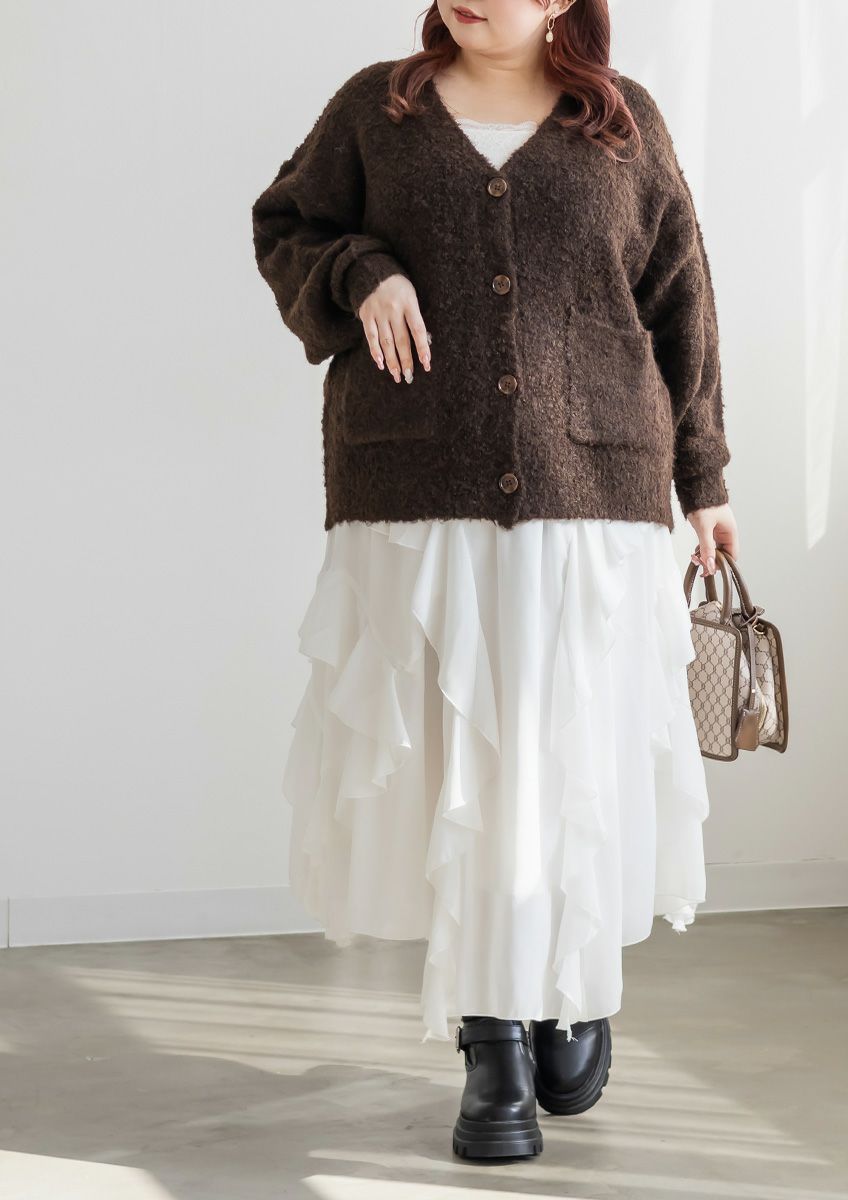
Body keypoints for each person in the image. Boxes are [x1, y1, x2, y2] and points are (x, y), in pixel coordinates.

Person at [251, 0, 739, 1163]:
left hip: (594, 491)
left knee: (566, 758)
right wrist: (361, 271)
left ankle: (569, 984)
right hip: (420, 486)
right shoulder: (378, 109)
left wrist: (706, 478)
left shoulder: (621, 122)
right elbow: (286, 225)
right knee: (463, 767)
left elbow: (680, 298)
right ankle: (493, 1045)